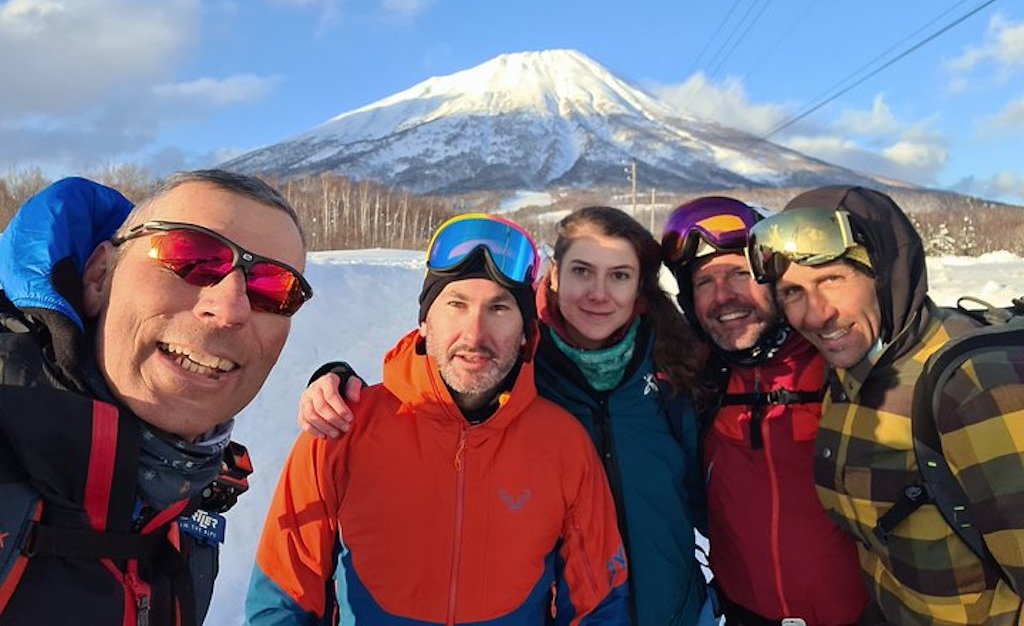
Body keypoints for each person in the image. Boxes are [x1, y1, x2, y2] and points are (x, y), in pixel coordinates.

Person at [293, 207, 709, 626]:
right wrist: (334, 380)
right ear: (555, 276)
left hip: (676, 612)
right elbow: (441, 375)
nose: (598, 293)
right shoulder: (520, 372)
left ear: (640, 286)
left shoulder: (677, 372)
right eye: (582, 271)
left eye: (619, 275)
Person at [0, 170, 312, 624]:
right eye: (191, 257)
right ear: (99, 276)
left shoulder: (191, 496)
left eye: (274, 289)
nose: (229, 309)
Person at [746, 185, 1024, 625]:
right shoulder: (848, 372)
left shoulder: (973, 386)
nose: (815, 316)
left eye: (832, 279)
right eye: (793, 292)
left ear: (886, 272)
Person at [662, 196, 868, 626]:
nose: (723, 297)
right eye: (703, 283)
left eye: (739, 273)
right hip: (743, 613)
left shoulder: (843, 367)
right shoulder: (694, 385)